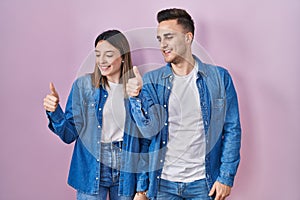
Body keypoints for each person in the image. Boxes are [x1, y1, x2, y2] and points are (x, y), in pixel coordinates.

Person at [126, 8, 242, 200]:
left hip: (204, 184)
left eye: (168, 37)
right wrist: (142, 188)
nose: (162, 45)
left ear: (188, 38)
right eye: (159, 39)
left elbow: (232, 129)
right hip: (163, 184)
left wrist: (226, 178)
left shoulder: (219, 78)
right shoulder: (152, 81)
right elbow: (147, 135)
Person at [43, 29, 145, 200]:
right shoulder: (83, 86)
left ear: (123, 57)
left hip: (126, 169)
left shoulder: (135, 88)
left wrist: (142, 188)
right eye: (98, 54)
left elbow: (145, 139)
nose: (102, 61)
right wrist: (55, 112)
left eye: (109, 54)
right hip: (91, 166)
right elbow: (69, 135)